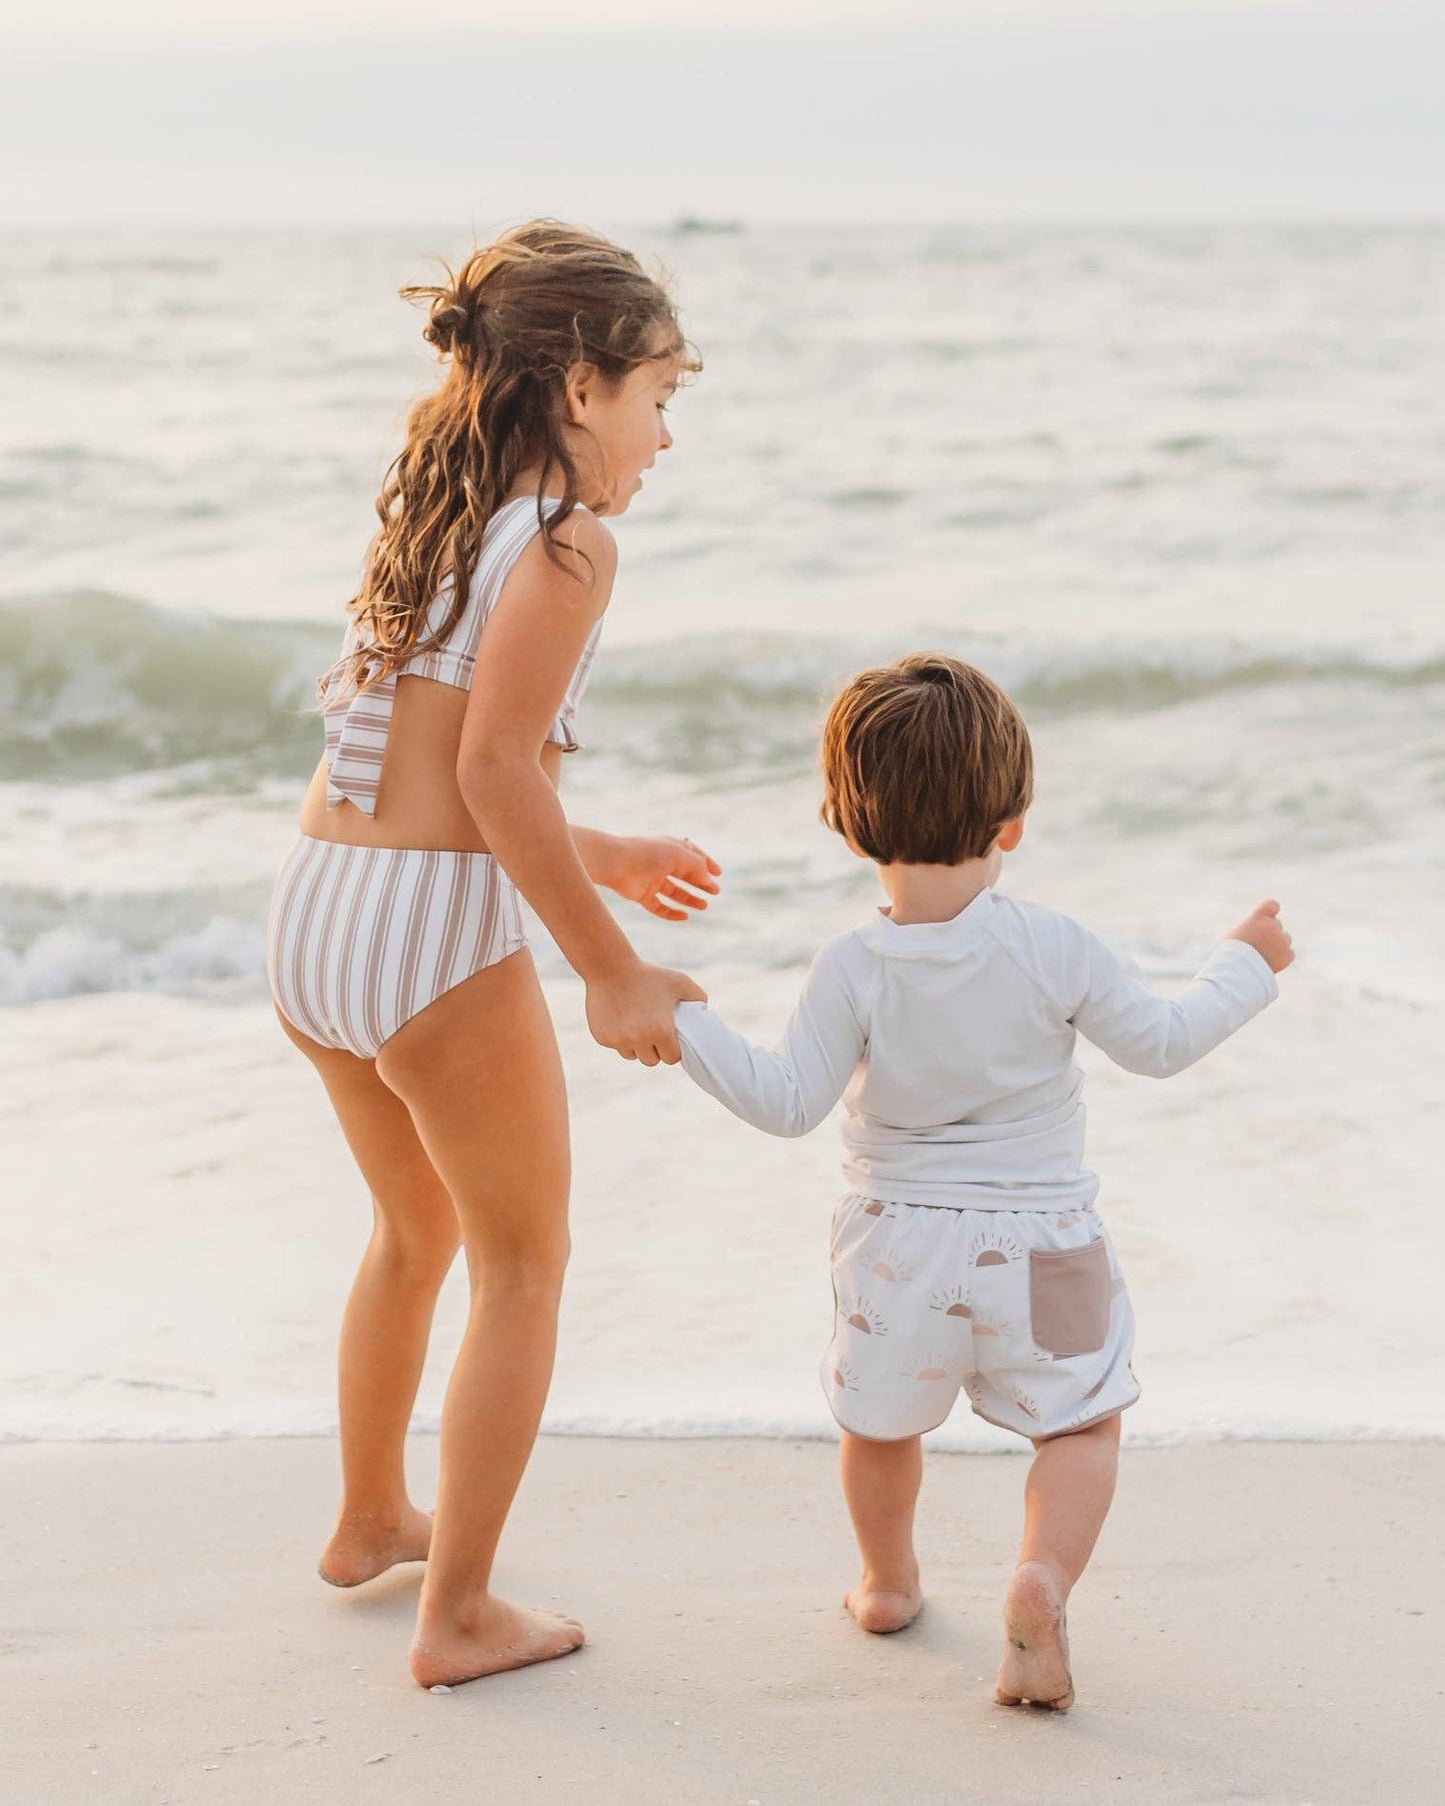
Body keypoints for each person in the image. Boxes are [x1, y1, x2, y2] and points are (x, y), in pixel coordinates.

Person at [266, 221, 721, 1689]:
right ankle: (456, 1611)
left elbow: (428, 760)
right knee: (523, 1262)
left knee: (416, 1233)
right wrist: (611, 968)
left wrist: (606, 851)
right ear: (581, 388)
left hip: (319, 909)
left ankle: (365, 1516)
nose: (662, 434)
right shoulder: (574, 543)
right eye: (659, 393)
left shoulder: (432, 513)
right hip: (429, 940)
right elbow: (495, 780)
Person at [671, 653, 1292, 1711]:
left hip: (897, 1244)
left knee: (877, 1427)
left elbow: (783, 1103)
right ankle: (1038, 1579)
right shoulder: (1054, 945)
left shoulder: (851, 967)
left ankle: (885, 1584)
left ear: (844, 821)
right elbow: (1161, 1043)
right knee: (1081, 1423)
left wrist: (679, 1022)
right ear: (1010, 822)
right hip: (1047, 1238)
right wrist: (1244, 962)